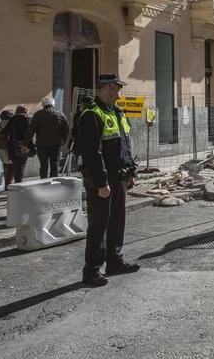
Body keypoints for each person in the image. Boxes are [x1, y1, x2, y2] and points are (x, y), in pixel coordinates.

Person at [78, 74, 140, 287]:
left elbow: (125, 145)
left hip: (119, 176)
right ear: (108, 88)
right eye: (118, 88)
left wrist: (130, 172)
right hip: (103, 179)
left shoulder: (117, 112)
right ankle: (92, 271)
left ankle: (114, 261)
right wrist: (101, 182)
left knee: (116, 222)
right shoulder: (91, 115)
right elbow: (92, 153)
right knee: (99, 225)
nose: (120, 92)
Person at [26, 97, 70, 179]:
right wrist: (64, 141)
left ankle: (43, 182)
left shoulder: (38, 115)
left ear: (43, 105)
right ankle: (54, 183)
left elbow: (31, 130)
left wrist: (26, 143)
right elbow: (66, 130)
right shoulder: (60, 114)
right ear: (53, 104)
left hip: (41, 144)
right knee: (55, 164)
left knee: (43, 165)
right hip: (56, 144)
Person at [6, 106, 31, 183]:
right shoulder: (28, 120)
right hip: (24, 145)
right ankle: (19, 182)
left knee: (15, 165)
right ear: (25, 111)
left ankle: (17, 181)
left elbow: (7, 131)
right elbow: (30, 133)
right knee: (22, 164)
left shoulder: (12, 119)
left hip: (13, 146)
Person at [0, 110, 14, 186]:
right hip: (9, 146)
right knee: (11, 165)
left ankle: (4, 182)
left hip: (0, 147)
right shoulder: (12, 124)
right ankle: (8, 183)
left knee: (4, 165)